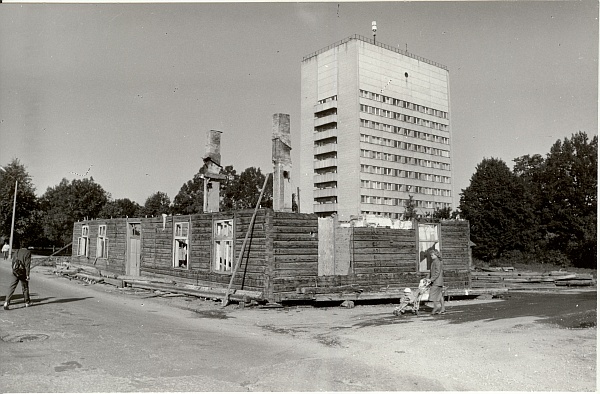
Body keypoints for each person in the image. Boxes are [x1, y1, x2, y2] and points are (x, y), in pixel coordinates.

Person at [3, 241, 31, 310]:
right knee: (25, 287)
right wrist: (27, 274)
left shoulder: (17, 251)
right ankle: (27, 302)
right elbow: (27, 265)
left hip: (15, 271)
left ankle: (6, 301)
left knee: (12, 287)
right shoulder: (28, 253)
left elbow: (13, 262)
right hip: (23, 272)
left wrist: (14, 270)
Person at [428, 249, 445, 315]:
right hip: (438, 281)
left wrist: (431, 279)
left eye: (432, 255)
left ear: (436, 255)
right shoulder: (434, 262)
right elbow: (431, 272)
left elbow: (437, 273)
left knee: (433, 294)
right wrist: (427, 278)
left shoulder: (437, 262)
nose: (431, 256)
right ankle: (443, 308)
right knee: (439, 295)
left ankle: (436, 307)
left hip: (436, 281)